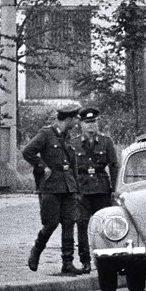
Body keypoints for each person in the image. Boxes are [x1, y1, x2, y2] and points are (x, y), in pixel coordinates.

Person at [22, 105, 82, 276]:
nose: (77, 121)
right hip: (50, 187)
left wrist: (76, 187)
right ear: (68, 119)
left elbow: (73, 164)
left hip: (68, 186)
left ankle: (68, 263)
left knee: (69, 223)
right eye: (75, 118)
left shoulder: (68, 137)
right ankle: (36, 250)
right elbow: (28, 151)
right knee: (51, 223)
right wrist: (42, 166)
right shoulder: (46, 134)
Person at [74, 107, 119, 274]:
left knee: (104, 226)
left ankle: (109, 259)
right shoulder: (74, 143)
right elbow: (71, 168)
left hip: (101, 189)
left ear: (97, 123)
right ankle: (85, 260)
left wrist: (115, 189)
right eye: (87, 122)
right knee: (81, 224)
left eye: (93, 122)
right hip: (82, 190)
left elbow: (114, 166)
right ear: (80, 124)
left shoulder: (106, 142)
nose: (90, 126)